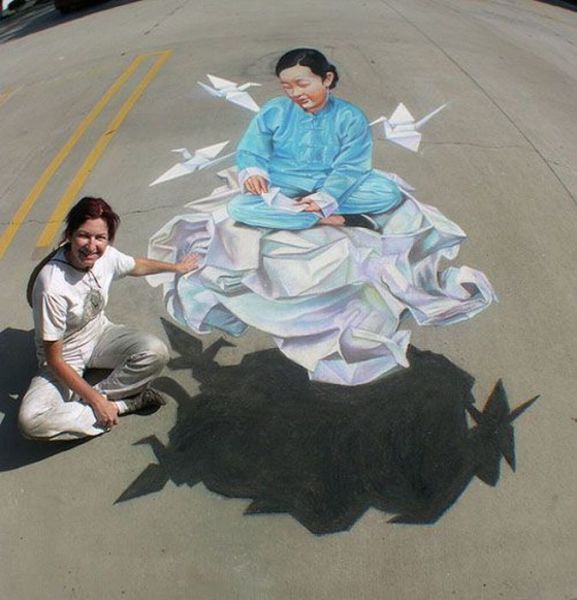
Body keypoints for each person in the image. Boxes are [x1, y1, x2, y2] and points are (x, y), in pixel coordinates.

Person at [19, 196, 199, 441]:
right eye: (84, 235)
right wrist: (96, 400)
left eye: (100, 238)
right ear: (69, 234)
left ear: (108, 240)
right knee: (31, 422)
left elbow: (137, 266)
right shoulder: (52, 285)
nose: (91, 246)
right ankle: (124, 404)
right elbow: (54, 359)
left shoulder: (106, 257)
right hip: (66, 356)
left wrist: (177, 268)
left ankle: (96, 405)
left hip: (99, 334)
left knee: (156, 352)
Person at [228, 48, 403, 231]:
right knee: (237, 207)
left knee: (388, 193)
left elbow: (351, 165)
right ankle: (331, 219)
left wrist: (325, 197)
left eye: (302, 84)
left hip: (331, 180)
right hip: (284, 180)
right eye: (287, 87)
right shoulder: (275, 109)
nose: (295, 93)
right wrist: (254, 173)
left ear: (327, 79)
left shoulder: (350, 116)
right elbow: (251, 150)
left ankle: (294, 211)